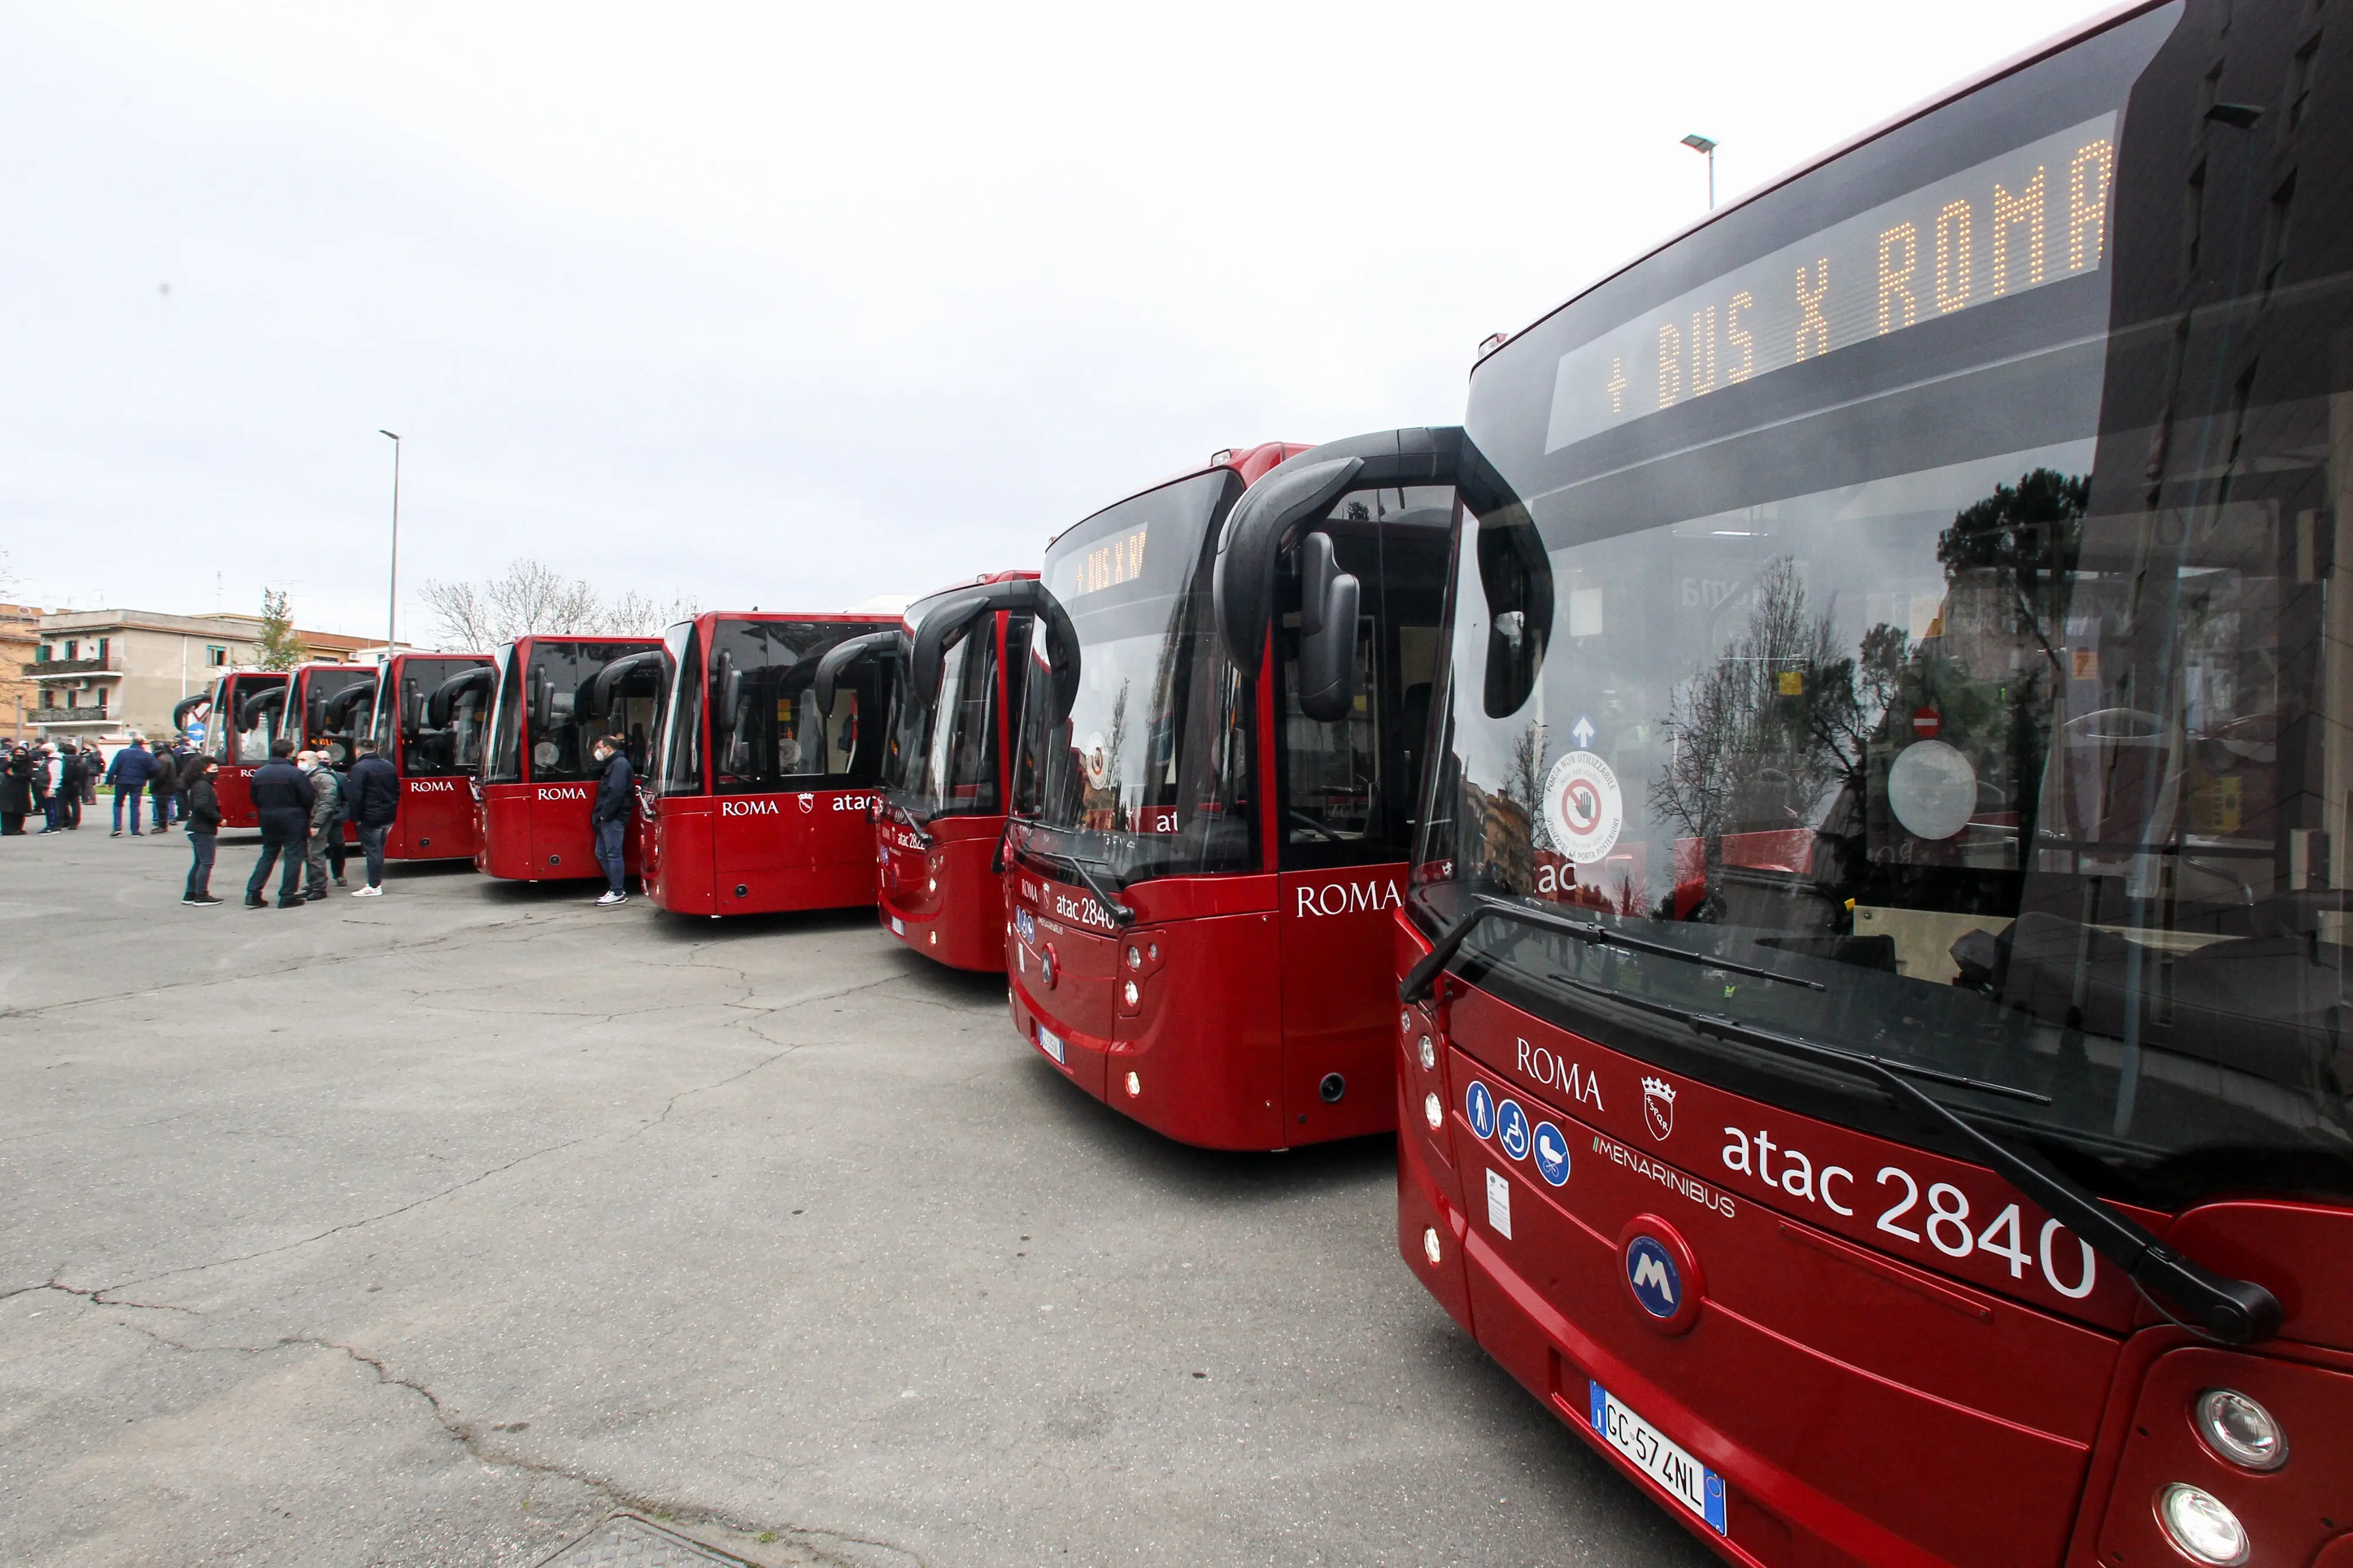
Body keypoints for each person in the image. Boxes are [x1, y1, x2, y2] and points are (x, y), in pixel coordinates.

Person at [244, 737, 315, 909]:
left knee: (268, 854)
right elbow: (308, 797)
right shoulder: (295, 773)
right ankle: (287, 895)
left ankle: (253, 892)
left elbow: (254, 797)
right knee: (293, 856)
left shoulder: (260, 773)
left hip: (268, 816)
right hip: (293, 817)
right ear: (289, 754)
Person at [344, 736, 399, 896]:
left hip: (370, 816)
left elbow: (355, 796)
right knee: (379, 849)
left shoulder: (359, 769)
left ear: (358, 751)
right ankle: (376, 882)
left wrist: (355, 818)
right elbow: (397, 790)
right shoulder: (389, 766)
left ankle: (374, 885)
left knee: (372, 850)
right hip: (388, 815)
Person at [590, 733, 632, 907]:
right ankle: (616, 889)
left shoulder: (620, 765)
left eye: (600, 747)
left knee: (613, 854)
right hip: (607, 817)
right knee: (602, 854)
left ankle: (618, 891)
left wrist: (605, 814)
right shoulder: (615, 764)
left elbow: (616, 792)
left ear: (608, 749)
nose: (598, 751)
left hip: (613, 817)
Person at [300, 749, 349, 899]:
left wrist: (316, 824)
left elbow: (328, 802)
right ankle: (313, 884)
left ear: (314, 762)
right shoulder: (308, 776)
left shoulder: (325, 778)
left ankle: (319, 887)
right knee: (309, 854)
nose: (300, 763)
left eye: (303, 760)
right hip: (310, 819)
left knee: (316, 853)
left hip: (320, 820)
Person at [182, 756, 223, 906]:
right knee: (207, 863)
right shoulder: (203, 786)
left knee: (199, 863)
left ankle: (190, 893)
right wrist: (218, 819)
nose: (216, 770)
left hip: (196, 829)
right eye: (213, 768)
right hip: (203, 829)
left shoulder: (198, 785)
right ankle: (201, 895)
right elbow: (202, 806)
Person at [105, 737, 156, 836]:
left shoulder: (122, 753)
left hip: (122, 781)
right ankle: (135, 830)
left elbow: (114, 767)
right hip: (138, 782)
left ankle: (117, 827)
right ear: (143, 744)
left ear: (132, 742)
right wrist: (147, 777)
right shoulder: (148, 756)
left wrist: (110, 781)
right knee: (135, 805)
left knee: (118, 804)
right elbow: (155, 768)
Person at [149, 738, 182, 830]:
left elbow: (160, 775)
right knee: (164, 806)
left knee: (162, 807)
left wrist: (154, 786)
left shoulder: (162, 759)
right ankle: (164, 823)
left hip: (163, 787)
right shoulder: (167, 757)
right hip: (168, 786)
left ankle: (162, 825)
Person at [1, 745, 33, 835]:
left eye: (22, 753)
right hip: (8, 788)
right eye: (17, 753)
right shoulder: (10, 762)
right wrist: (9, 761)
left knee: (20, 809)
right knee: (7, 810)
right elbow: (2, 769)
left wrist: (14, 775)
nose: (19, 755)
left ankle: (17, 828)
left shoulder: (28, 762)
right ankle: (7, 830)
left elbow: (29, 775)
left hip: (21, 788)